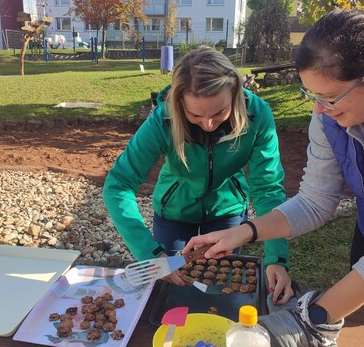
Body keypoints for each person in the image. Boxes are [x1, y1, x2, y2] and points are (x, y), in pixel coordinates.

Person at [183, 9, 364, 346]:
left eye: (329, 97)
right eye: (311, 95)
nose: (319, 110)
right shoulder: (330, 112)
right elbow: (316, 201)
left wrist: (311, 320)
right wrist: (244, 233)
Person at [103, 46, 293, 302]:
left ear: (235, 95)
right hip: (174, 214)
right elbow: (118, 185)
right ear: (179, 103)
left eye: (219, 113)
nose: (208, 124)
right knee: (171, 291)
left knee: (221, 290)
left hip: (227, 213)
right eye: (195, 114)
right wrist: (149, 254)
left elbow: (268, 188)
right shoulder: (162, 120)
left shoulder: (257, 115)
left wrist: (276, 258)